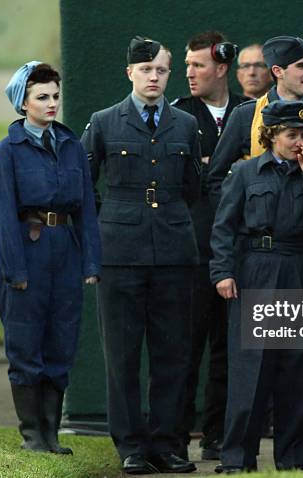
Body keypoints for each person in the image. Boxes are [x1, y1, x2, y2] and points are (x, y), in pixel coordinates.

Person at [81, 36, 201, 475]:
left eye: (161, 70)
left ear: (170, 74)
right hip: (120, 255)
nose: (153, 77)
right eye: (145, 69)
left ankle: (166, 445)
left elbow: (192, 188)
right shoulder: (104, 122)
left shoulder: (185, 125)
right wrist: (108, 222)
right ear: (129, 72)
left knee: (173, 355)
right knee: (123, 355)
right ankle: (131, 445)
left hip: (172, 253)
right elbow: (83, 183)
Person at [210, 100, 303, 472]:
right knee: (252, 369)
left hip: (300, 271)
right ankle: (237, 459)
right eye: (291, 135)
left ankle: (297, 457)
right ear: (270, 136)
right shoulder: (246, 173)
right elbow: (224, 227)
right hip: (257, 271)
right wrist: (223, 272)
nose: (299, 143)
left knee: (299, 369)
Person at [0, 61, 101, 454]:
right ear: (23, 102)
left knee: (61, 343)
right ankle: (32, 435)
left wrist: (90, 262)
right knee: (25, 345)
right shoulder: (6, 153)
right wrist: (14, 270)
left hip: (64, 252)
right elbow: (1, 216)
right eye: (42, 97)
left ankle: (52, 435)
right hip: (25, 253)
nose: (52, 104)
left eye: (55, 96)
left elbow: (86, 206)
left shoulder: (70, 145)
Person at [171, 30, 248, 461]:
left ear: (221, 67)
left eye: (198, 65)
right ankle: (177, 437)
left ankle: (217, 436)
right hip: (192, 250)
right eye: (186, 65)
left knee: (228, 350)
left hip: (237, 250)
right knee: (185, 349)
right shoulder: (180, 115)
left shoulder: (249, 114)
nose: (190, 73)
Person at [208, 35, 303, 208]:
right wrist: (239, 219)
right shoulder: (246, 116)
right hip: (261, 229)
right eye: (302, 66)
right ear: (277, 71)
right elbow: (215, 180)